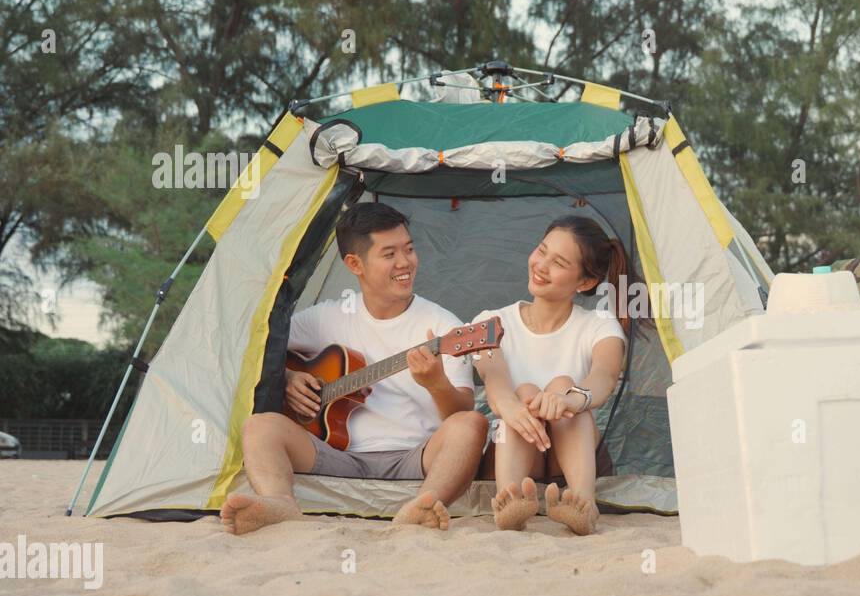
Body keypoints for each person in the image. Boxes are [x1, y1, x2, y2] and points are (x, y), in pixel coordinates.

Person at [220, 202, 488, 535]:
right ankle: (280, 503)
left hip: (415, 456)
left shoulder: (443, 326)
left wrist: (436, 384)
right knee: (260, 426)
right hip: (336, 454)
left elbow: (460, 411)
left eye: (409, 249)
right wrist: (287, 377)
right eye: (389, 254)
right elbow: (258, 344)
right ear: (354, 264)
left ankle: (423, 505)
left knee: (471, 424)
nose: (405, 263)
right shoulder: (327, 317)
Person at [472, 216, 628, 535]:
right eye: (541, 251)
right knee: (526, 391)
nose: (540, 265)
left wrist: (567, 398)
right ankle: (510, 498)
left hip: (569, 461)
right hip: (515, 452)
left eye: (557, 262)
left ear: (583, 283)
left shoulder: (600, 325)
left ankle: (584, 503)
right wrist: (517, 408)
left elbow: (604, 376)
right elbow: (495, 379)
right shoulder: (491, 322)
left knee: (564, 388)